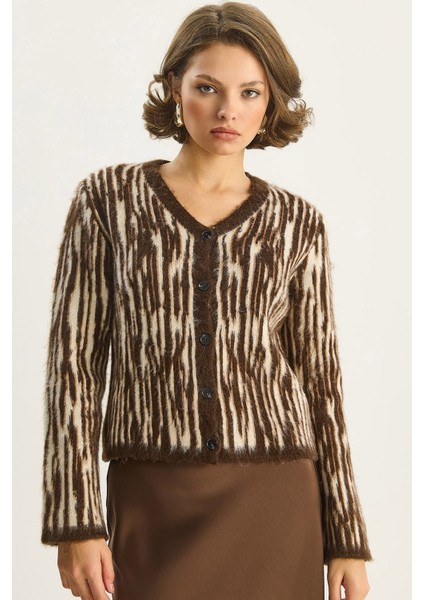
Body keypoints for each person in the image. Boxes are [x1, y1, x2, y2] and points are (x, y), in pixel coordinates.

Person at [40, 2, 374, 599]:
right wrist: (75, 520)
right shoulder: (107, 202)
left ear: (270, 102)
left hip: (276, 497)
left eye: (250, 92)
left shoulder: (298, 223)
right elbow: (73, 365)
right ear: (175, 87)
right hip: (152, 495)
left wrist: (345, 534)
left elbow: (322, 383)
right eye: (207, 88)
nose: (228, 111)